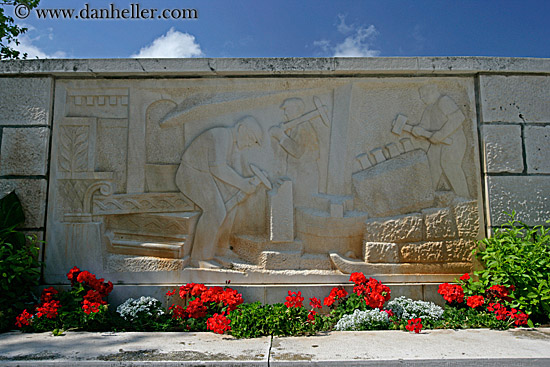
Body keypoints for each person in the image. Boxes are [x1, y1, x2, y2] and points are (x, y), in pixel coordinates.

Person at [176, 116, 263, 268]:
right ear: (241, 129)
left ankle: (219, 250)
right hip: (191, 174)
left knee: (229, 205)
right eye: (251, 139)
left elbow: (229, 173)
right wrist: (243, 184)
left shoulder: (232, 144)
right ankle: (199, 259)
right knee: (215, 211)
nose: (250, 144)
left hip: (204, 174)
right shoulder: (222, 135)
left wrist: (243, 185)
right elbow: (219, 169)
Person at [417, 84, 469, 198]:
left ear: (432, 92)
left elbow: (458, 118)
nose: (422, 99)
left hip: (454, 139)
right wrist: (418, 131)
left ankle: (464, 197)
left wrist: (441, 134)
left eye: (424, 96)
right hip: (437, 143)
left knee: (449, 163)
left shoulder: (444, 101)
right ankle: (428, 197)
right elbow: (424, 128)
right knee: (431, 165)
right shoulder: (429, 109)